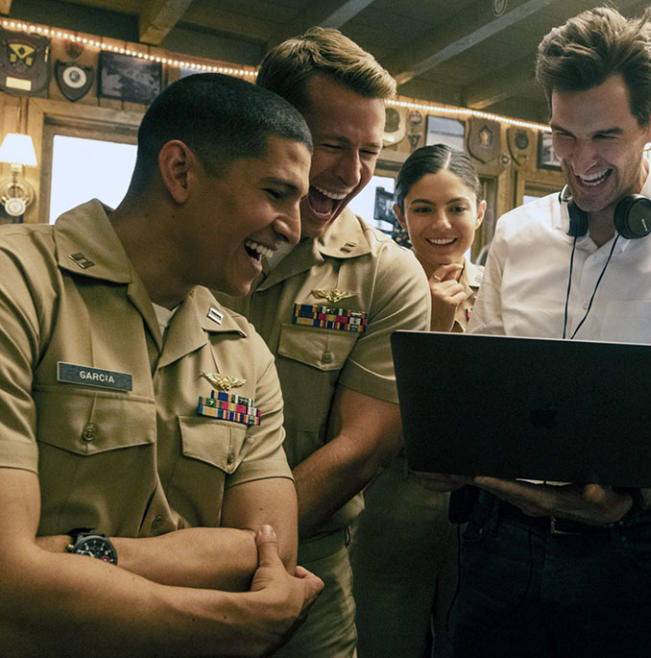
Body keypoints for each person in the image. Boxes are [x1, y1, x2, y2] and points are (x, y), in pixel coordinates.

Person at [429, 8, 651, 656]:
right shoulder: (517, 235)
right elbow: (489, 378)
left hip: (636, 553)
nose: (579, 161)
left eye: (603, 136)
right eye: (563, 136)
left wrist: (632, 497)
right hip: (500, 546)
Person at [0, 73, 323, 655]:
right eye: (277, 193)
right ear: (180, 172)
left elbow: (274, 553)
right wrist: (230, 619)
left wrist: (86, 555)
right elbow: (7, 575)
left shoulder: (242, 350)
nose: (294, 228)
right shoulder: (19, 287)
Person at [219, 27, 431, 657]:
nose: (352, 173)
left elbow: (362, 449)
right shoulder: (199, 236)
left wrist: (235, 551)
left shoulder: (385, 273)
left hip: (307, 574)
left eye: (370, 151)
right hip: (150, 555)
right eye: (333, 145)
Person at [352, 144, 485, 657]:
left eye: (456, 207)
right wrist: (430, 323)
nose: (441, 224)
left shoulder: (504, 289)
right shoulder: (374, 289)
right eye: (423, 208)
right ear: (400, 213)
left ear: (480, 211)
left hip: (479, 510)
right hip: (389, 503)